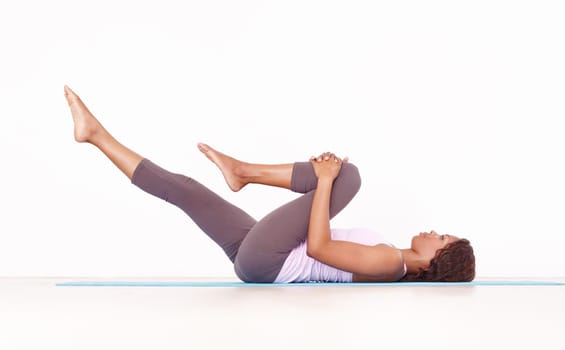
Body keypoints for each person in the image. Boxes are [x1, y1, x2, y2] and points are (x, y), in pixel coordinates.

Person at [63, 85, 475, 283]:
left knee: (347, 177)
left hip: (271, 260)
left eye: (441, 237)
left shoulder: (392, 263)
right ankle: (96, 135)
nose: (432, 231)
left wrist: (326, 182)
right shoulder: (390, 255)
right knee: (185, 189)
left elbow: (319, 248)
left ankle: (243, 172)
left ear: (440, 260)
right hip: (259, 256)